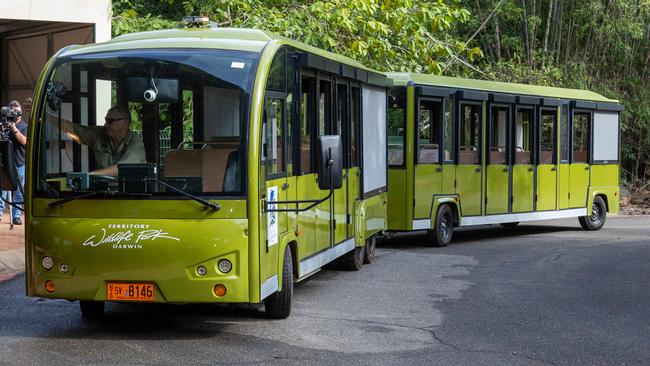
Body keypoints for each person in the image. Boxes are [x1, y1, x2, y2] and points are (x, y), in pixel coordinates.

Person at [51, 105, 146, 177]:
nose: (105, 125)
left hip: (130, 197)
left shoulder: (136, 143)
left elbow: (121, 169)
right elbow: (73, 130)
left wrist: (89, 176)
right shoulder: (100, 134)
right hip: (104, 194)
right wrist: (47, 116)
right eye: (106, 120)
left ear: (125, 123)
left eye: (110, 121)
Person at [0, 100, 29, 225]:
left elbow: (24, 142)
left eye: (16, 112)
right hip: (5, 163)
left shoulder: (24, 126)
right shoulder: (4, 125)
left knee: (18, 190)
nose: (14, 114)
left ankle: (16, 216)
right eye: (12, 112)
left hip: (19, 162)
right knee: (2, 189)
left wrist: (14, 128)